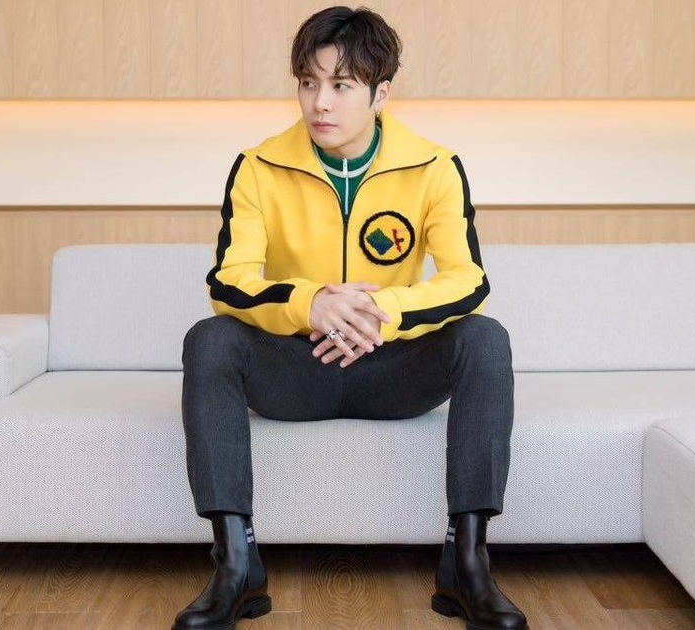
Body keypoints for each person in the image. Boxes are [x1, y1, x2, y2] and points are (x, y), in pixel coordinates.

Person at [173, 6, 527, 630]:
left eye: (341, 85)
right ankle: (236, 566)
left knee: (485, 338)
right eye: (308, 82)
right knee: (210, 339)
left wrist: (384, 311)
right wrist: (310, 302)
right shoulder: (257, 166)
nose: (320, 103)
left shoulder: (435, 167)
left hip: (389, 368)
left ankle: (467, 565)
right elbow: (228, 282)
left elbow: (469, 281)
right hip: (298, 367)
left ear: (380, 93)